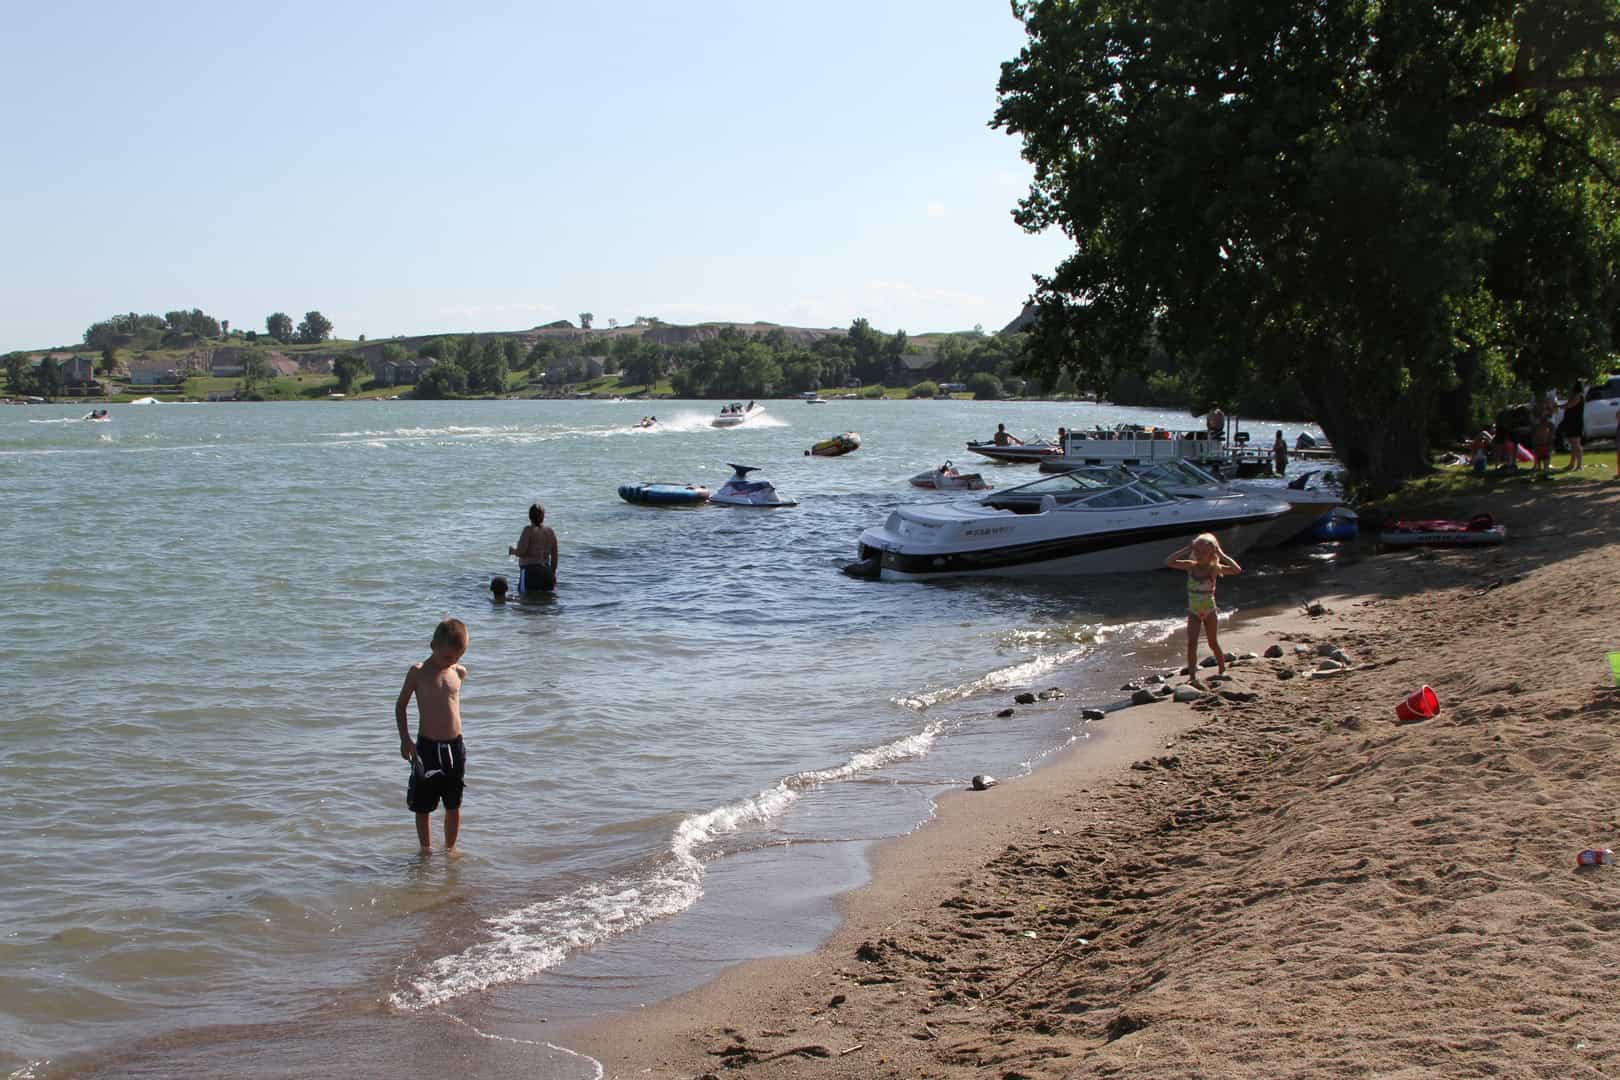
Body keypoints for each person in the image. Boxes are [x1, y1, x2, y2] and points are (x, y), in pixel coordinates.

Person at [395, 618, 469, 852]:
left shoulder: (458, 672)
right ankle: (425, 851)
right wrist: (405, 738)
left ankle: (450, 849)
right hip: (427, 747)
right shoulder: (418, 672)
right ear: (433, 645)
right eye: (447, 657)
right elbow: (400, 705)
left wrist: (453, 664)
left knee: (453, 803)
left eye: (457, 657)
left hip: (455, 748)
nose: (451, 662)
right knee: (423, 806)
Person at [1165, 534, 1242, 689]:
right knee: (1191, 644)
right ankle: (1192, 676)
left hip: (1209, 610)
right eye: (1197, 551)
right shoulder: (1190, 566)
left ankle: (1222, 669)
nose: (1199, 555)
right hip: (1193, 611)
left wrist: (1221, 554)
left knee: (1213, 642)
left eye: (1204, 552)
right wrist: (1187, 549)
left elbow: (1236, 570)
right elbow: (1169, 562)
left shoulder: (1215, 569)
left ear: (1212, 554)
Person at [509, 503, 559, 593]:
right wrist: (553, 573)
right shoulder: (550, 531)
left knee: (525, 602)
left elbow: (522, 551)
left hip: (530, 571)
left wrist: (512, 551)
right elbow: (555, 556)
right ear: (543, 516)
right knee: (545, 604)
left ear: (529, 516)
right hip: (546, 572)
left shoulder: (528, 530)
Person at [1557, 383, 1586, 472]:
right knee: (1573, 444)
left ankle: (1580, 465)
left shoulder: (1578, 396)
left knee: (1576, 443)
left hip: (1576, 422)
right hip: (1571, 422)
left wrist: (1558, 406)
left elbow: (1569, 405)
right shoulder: (1573, 396)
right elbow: (1568, 404)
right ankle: (1571, 464)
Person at [1531, 409, 1554, 475]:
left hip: (1543, 445)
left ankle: (1544, 470)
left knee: (1543, 458)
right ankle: (1542, 470)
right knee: (1542, 458)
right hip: (1541, 445)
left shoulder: (1548, 426)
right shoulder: (1540, 426)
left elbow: (1550, 436)